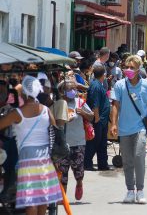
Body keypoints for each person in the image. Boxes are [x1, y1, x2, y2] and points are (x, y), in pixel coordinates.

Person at [0, 76, 62, 214]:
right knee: (43, 199)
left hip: (28, 160)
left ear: (24, 93)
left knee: (31, 201)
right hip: (45, 159)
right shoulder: (46, 110)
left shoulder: (18, 113)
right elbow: (55, 132)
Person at [110, 55, 147, 204]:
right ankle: (130, 190)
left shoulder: (146, 85)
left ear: (139, 69)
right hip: (124, 129)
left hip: (140, 128)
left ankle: (140, 190)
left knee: (139, 157)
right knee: (127, 161)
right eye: (127, 67)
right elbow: (115, 105)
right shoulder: (119, 85)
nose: (128, 70)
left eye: (132, 67)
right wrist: (114, 124)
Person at [56, 80, 94, 201]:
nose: (73, 91)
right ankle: (63, 198)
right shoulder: (58, 104)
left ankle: (79, 183)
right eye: (70, 89)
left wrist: (83, 113)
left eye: (75, 89)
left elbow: (92, 116)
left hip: (78, 142)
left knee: (78, 170)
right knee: (63, 171)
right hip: (63, 143)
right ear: (63, 91)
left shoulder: (80, 102)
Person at [85, 64, 111, 171]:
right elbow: (95, 104)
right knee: (94, 142)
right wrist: (97, 118)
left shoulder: (98, 84)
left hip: (102, 119)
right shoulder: (96, 85)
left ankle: (102, 164)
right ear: (103, 75)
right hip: (98, 119)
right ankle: (87, 163)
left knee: (102, 143)